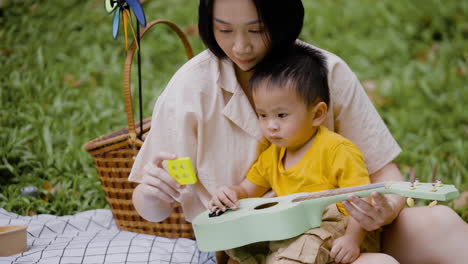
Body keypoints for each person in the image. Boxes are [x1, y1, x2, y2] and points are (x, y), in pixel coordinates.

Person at [129, 0, 468, 263]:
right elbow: (150, 209)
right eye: (224, 30)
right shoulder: (191, 88)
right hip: (259, 249)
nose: (241, 47)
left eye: (256, 29)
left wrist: (386, 208)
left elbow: (383, 172)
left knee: (440, 223)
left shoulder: (325, 71)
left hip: (345, 232)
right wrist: (155, 194)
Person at [208, 43, 398, 264]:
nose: (271, 126)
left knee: (304, 246)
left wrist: (352, 240)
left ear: (317, 114)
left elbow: (359, 201)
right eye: (263, 115)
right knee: (240, 248)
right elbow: (248, 189)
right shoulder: (273, 156)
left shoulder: (337, 150)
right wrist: (230, 193)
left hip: (338, 228)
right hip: (297, 229)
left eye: (281, 115)